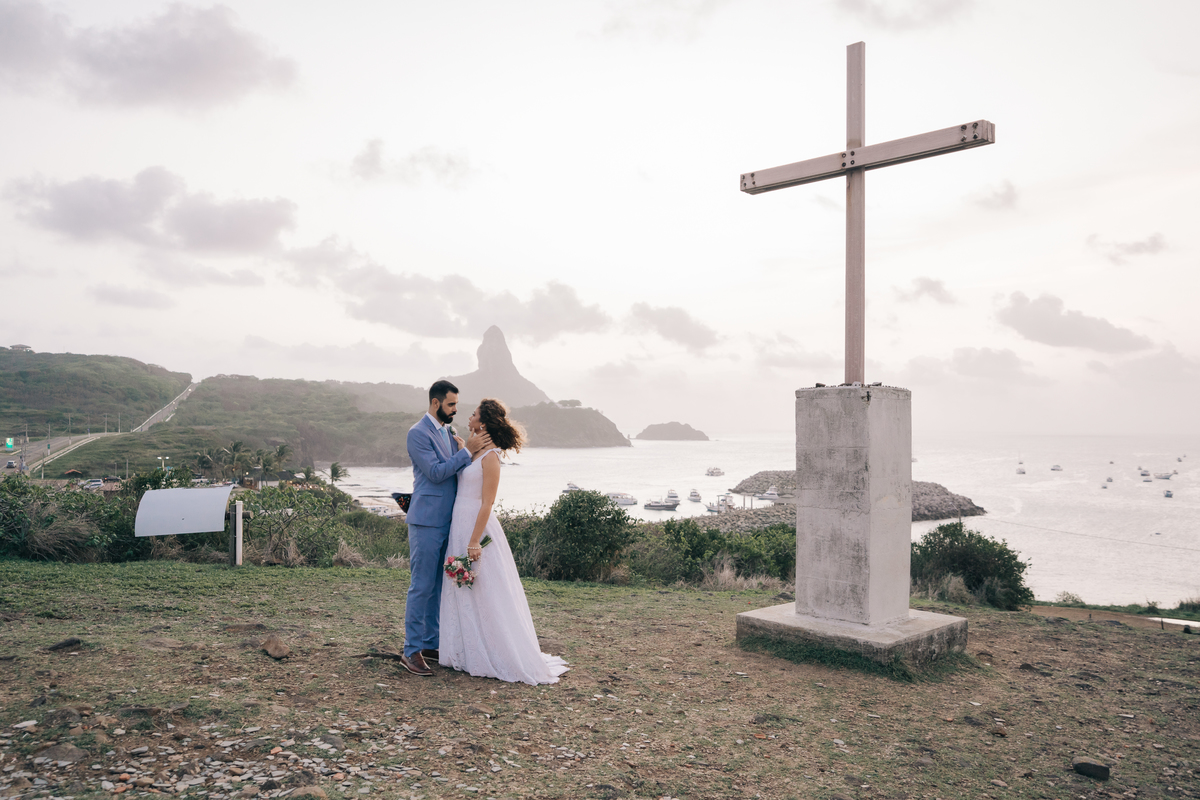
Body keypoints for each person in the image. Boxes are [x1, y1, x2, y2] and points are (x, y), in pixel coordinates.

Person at [439, 398, 569, 685]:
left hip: (476, 527)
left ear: (482, 422)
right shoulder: (472, 452)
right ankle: (467, 652)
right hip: (459, 524)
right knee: (463, 588)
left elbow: (487, 502)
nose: (468, 416)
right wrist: (462, 449)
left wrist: (474, 541)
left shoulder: (491, 457)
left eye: (473, 414)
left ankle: (495, 653)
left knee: (485, 589)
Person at [400, 380, 492, 677]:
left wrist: (469, 452)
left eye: (456, 405)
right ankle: (411, 651)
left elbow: (458, 473)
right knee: (422, 586)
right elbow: (437, 473)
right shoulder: (417, 433)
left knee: (438, 587)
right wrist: (468, 453)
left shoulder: (448, 432)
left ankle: (429, 643)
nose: (455, 410)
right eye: (451, 405)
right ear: (436, 403)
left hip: (449, 521)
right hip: (426, 519)